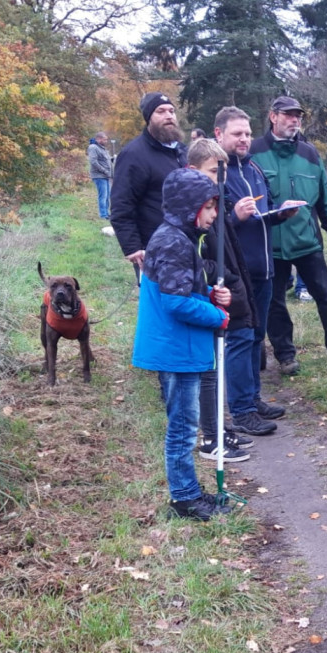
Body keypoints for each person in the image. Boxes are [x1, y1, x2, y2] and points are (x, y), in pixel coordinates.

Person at [132, 167, 234, 521]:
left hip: (182, 347)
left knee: (186, 424)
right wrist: (217, 316)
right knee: (183, 427)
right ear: (189, 207)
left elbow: (182, 287)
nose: (214, 214)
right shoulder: (173, 241)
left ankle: (188, 489)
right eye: (208, 207)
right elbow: (175, 303)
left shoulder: (179, 238)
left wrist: (209, 293)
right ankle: (184, 498)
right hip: (175, 349)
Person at [251, 95, 327, 373]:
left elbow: (324, 199)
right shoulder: (254, 152)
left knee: (325, 295)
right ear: (273, 116)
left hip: (306, 241)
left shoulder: (310, 154)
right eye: (288, 114)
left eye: (298, 115)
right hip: (270, 243)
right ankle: (285, 355)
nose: (295, 120)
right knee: (274, 301)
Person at [211, 107, 293, 431]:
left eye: (247, 133)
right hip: (235, 274)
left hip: (265, 268)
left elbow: (262, 214)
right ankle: (241, 411)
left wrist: (279, 214)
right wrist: (235, 218)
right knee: (240, 338)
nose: (244, 139)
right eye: (237, 134)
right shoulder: (216, 172)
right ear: (219, 135)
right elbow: (211, 227)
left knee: (257, 337)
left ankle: (254, 399)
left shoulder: (254, 169)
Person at [186, 138, 260, 462]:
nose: (220, 178)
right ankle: (209, 436)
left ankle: (218, 426)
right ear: (193, 171)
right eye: (213, 171)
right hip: (203, 296)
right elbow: (191, 258)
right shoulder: (189, 210)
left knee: (214, 369)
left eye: (222, 171)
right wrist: (218, 273)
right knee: (207, 369)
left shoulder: (215, 204)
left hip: (222, 288)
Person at [111, 92, 185, 270]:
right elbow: (121, 204)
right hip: (153, 247)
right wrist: (133, 247)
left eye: (172, 111)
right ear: (148, 117)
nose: (168, 116)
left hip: (186, 244)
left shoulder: (183, 151)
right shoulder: (133, 154)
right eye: (161, 111)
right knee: (159, 297)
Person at [88, 131, 112, 220]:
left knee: (108, 195)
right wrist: (104, 170)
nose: (106, 141)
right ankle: (103, 215)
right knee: (103, 195)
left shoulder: (102, 148)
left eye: (106, 139)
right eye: (104, 139)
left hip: (105, 176)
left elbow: (104, 160)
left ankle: (106, 213)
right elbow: (93, 161)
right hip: (99, 175)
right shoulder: (93, 147)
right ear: (98, 139)